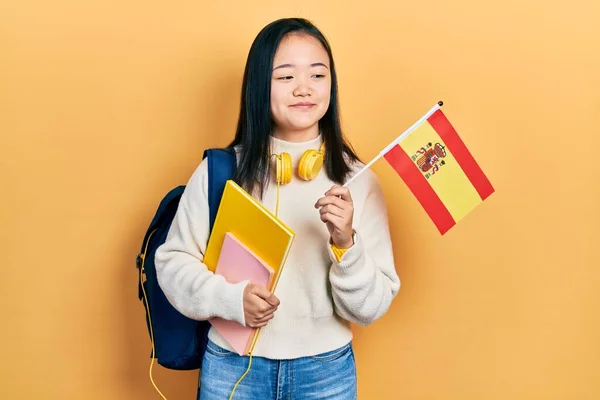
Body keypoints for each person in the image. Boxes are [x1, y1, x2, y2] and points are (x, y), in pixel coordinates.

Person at [155, 17, 400, 400]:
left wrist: (346, 244)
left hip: (326, 372)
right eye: (285, 77)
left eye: (317, 75)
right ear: (258, 87)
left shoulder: (358, 180)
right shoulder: (222, 171)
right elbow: (171, 264)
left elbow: (369, 309)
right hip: (232, 366)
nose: (304, 88)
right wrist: (231, 301)